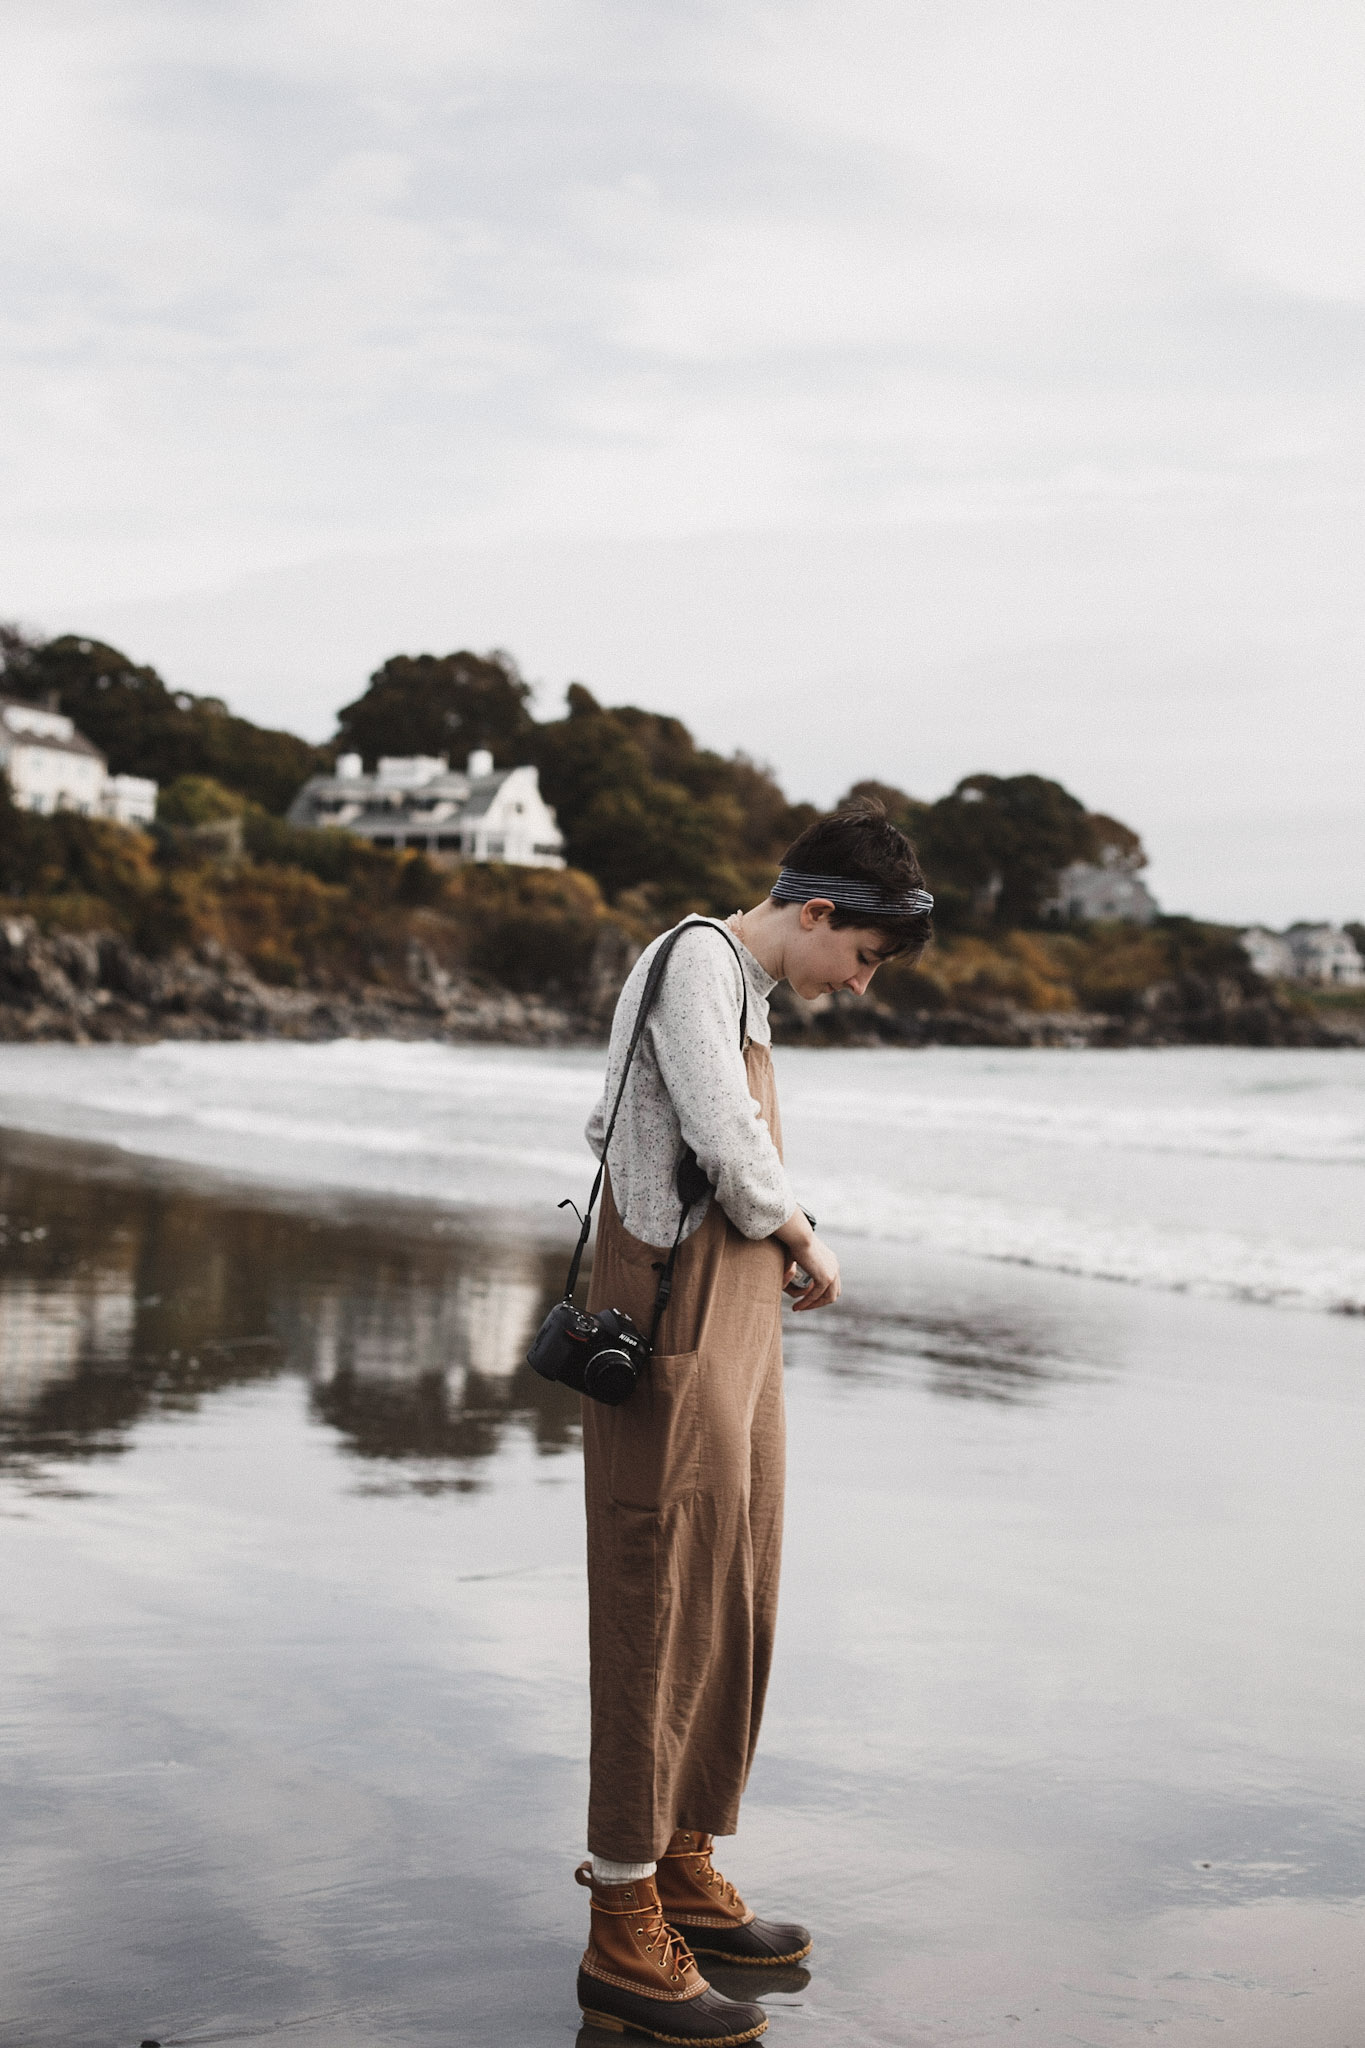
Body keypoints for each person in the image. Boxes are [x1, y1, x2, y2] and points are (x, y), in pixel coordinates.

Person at [572, 802, 933, 2044]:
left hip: (726, 1304)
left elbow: (678, 1133)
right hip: (672, 1306)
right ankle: (622, 1917)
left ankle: (679, 1856)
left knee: (732, 1577)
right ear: (819, 912)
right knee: (655, 1589)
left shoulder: (741, 988)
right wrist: (796, 1226)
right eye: (865, 958)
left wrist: (773, 1230)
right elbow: (721, 1139)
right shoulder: (695, 960)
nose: (860, 984)